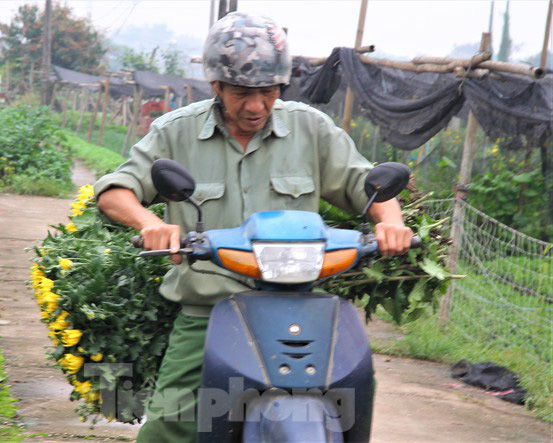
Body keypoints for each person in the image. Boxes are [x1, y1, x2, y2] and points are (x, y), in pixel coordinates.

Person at [94, 11, 412, 442]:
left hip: (301, 306)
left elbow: (367, 184)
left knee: (353, 396)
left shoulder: (311, 129)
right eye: (243, 92)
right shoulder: (176, 133)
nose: (257, 105)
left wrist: (391, 224)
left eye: (268, 91)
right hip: (210, 312)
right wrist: (152, 223)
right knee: (168, 426)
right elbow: (114, 191)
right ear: (217, 87)